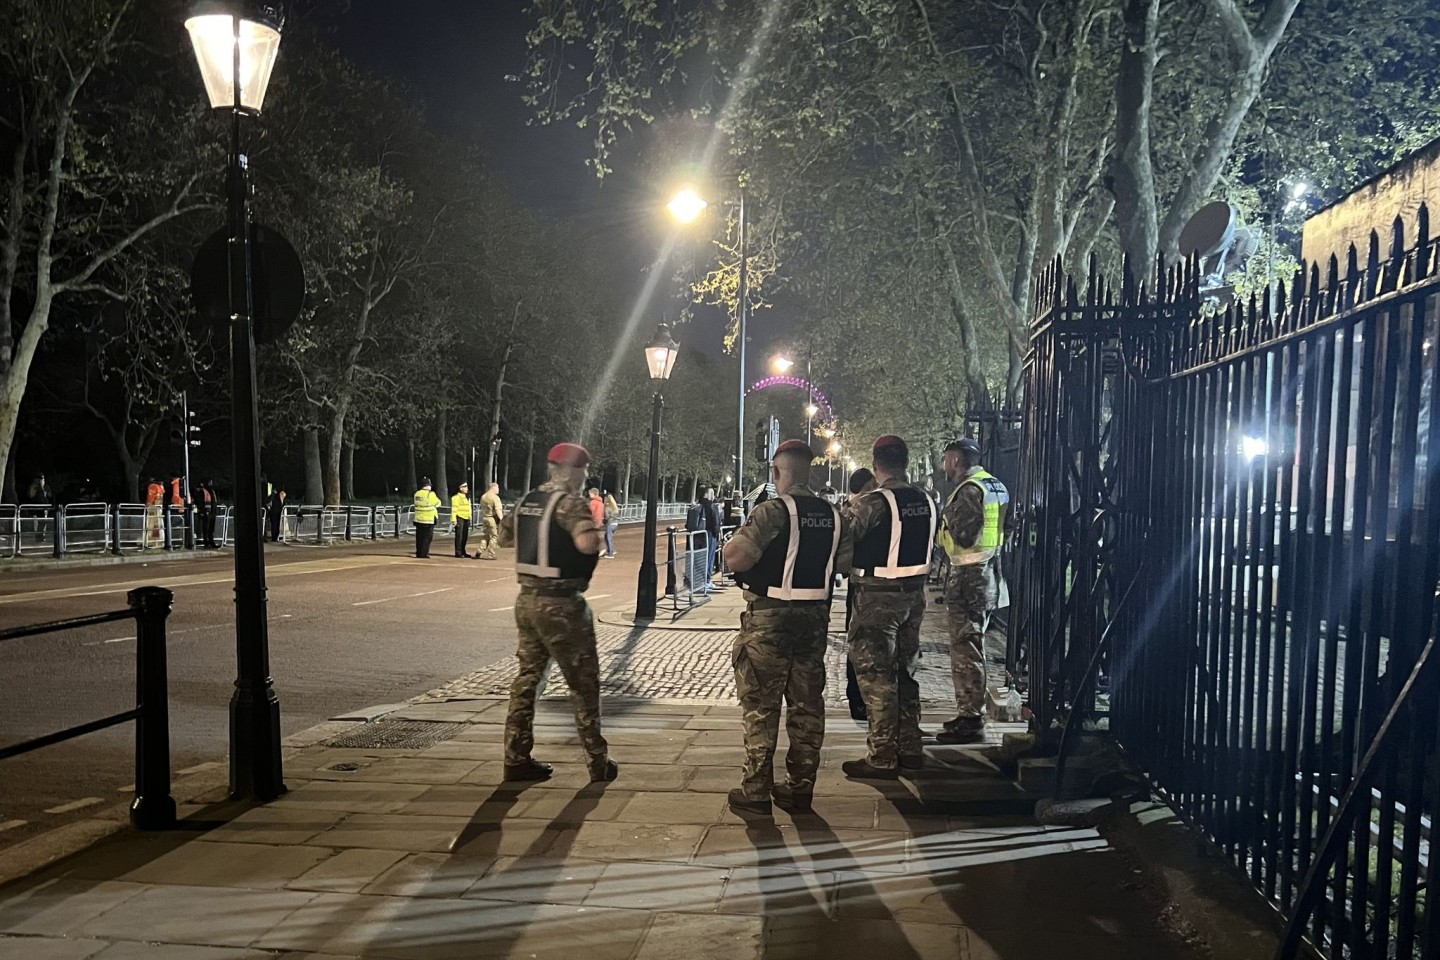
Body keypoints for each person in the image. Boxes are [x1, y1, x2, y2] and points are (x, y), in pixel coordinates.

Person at [722, 439, 852, 816]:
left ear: (778, 472)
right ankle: (800, 788)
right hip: (814, 620)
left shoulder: (771, 512)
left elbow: (736, 557)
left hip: (770, 618)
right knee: (806, 703)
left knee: (761, 703)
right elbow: (843, 564)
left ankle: (756, 789)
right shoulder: (834, 516)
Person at [499, 443, 617, 784]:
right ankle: (598, 762)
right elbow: (587, 544)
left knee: (528, 680)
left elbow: (506, 537)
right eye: (583, 471)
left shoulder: (527, 500)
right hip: (562, 604)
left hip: (527, 600)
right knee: (583, 683)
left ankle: (515, 756)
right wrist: (596, 535)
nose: (584, 477)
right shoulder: (570, 503)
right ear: (569, 470)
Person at [841, 436, 936, 779]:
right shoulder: (927, 499)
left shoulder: (872, 503)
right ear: (906, 461)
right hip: (915, 594)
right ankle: (910, 747)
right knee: (906, 673)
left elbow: (842, 540)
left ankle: (881, 755)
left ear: (876, 462)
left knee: (876, 677)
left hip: (877, 596)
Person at [934, 437, 1010, 745]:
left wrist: (945, 513)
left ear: (955, 460)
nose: (942, 464)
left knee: (966, 649)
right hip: (990, 574)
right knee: (973, 644)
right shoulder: (995, 485)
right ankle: (969, 713)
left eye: (945, 458)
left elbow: (965, 536)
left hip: (969, 578)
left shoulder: (969, 490)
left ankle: (970, 716)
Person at [840, 467, 877, 721]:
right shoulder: (857, 510)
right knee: (857, 646)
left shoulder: (858, 508)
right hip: (859, 586)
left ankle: (863, 699)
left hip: (863, 585)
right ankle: (858, 700)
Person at [684, 486, 717, 593]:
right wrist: (717, 534)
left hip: (698, 536)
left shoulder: (696, 506)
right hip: (709, 535)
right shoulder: (712, 506)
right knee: (709, 558)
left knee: (698, 559)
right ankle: (706, 581)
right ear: (706, 494)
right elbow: (715, 523)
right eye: (711, 493)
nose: (713, 495)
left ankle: (697, 581)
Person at [413, 478, 441, 558]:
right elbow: (438, 503)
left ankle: (418, 552)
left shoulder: (417, 494)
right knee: (427, 537)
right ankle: (424, 553)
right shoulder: (430, 494)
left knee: (419, 537)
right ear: (428, 486)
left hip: (418, 519)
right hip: (428, 519)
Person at [478, 482, 504, 560]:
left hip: (485, 517)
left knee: (485, 535)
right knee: (494, 536)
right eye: (497, 488)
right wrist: (502, 519)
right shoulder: (495, 497)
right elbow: (498, 510)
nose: (498, 490)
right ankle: (491, 554)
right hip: (492, 518)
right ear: (493, 488)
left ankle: (480, 550)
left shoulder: (483, 496)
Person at [451, 482, 473, 558]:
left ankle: (463, 551)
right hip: (459, 517)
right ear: (460, 488)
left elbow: (469, 508)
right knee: (459, 536)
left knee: (465, 536)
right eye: (465, 486)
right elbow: (454, 509)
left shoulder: (467, 497)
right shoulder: (456, 498)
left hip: (466, 518)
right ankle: (458, 552)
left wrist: (470, 517)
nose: (467, 488)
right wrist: (454, 520)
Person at [196, 479, 219, 549]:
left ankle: (211, 543)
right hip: (206, 513)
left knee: (211, 529)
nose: (211, 484)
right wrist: (203, 512)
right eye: (210, 482)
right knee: (206, 529)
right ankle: (207, 543)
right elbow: (201, 503)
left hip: (212, 512)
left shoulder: (211, 491)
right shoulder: (203, 491)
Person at [145, 476, 166, 547]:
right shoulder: (161, 487)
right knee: (159, 522)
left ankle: (149, 538)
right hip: (159, 505)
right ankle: (161, 537)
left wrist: (148, 504)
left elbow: (151, 496)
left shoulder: (153, 486)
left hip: (153, 506)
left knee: (150, 523)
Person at [602, 490, 620, 558]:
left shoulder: (607, 507)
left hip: (610, 523)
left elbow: (607, 517)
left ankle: (611, 554)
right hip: (615, 524)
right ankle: (611, 550)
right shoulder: (615, 507)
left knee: (608, 538)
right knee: (608, 537)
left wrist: (603, 521)